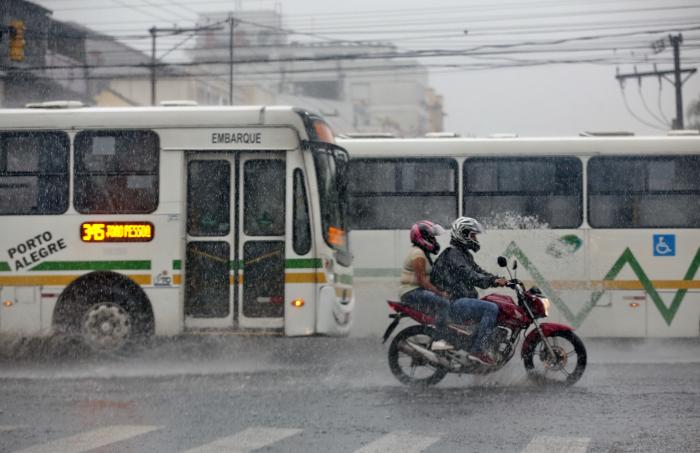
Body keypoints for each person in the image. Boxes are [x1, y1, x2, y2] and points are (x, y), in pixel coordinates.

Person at [431, 217, 508, 366]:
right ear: (462, 234)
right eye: (473, 235)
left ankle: (477, 344)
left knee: (492, 303)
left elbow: (479, 271)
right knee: (491, 308)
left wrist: (499, 279)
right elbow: (470, 275)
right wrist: (493, 281)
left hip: (459, 300)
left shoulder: (464, 254)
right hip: (453, 302)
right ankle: (478, 350)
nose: (475, 239)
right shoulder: (453, 254)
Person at [399, 220, 453, 351]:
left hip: (417, 290)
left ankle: (443, 334)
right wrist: (441, 293)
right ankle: (440, 340)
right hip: (411, 292)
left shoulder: (423, 253)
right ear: (421, 237)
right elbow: (423, 281)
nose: (434, 240)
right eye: (431, 237)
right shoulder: (418, 254)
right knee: (443, 303)